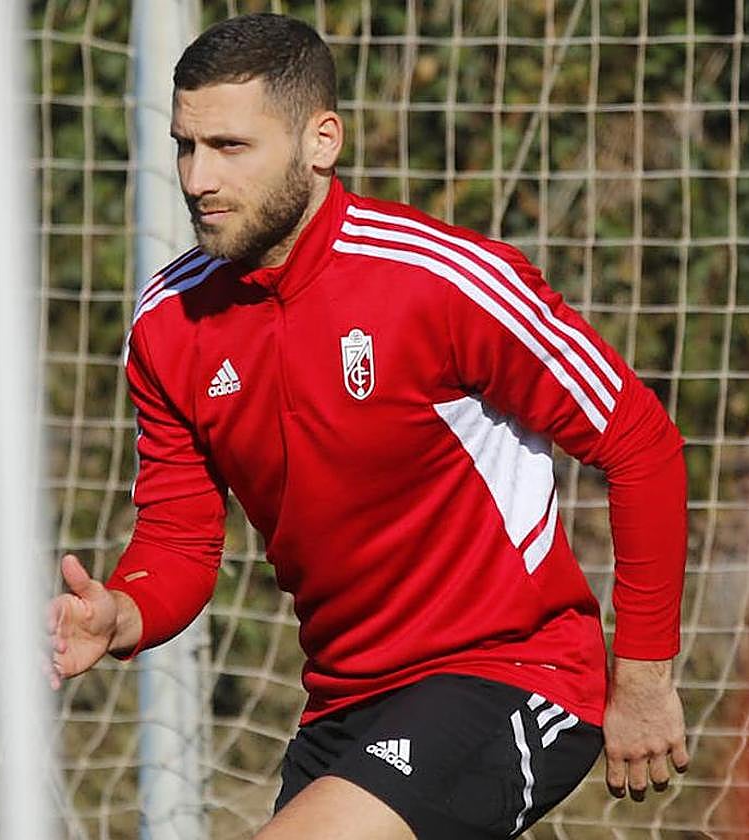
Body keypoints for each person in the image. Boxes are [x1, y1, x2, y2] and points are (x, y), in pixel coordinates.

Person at [48, 12, 689, 839]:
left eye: (230, 147)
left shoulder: (441, 281)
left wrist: (643, 677)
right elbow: (178, 539)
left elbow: (639, 441)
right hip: (343, 705)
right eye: (186, 146)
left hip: (509, 672)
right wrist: (124, 612)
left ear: (321, 142)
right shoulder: (169, 321)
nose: (198, 177)